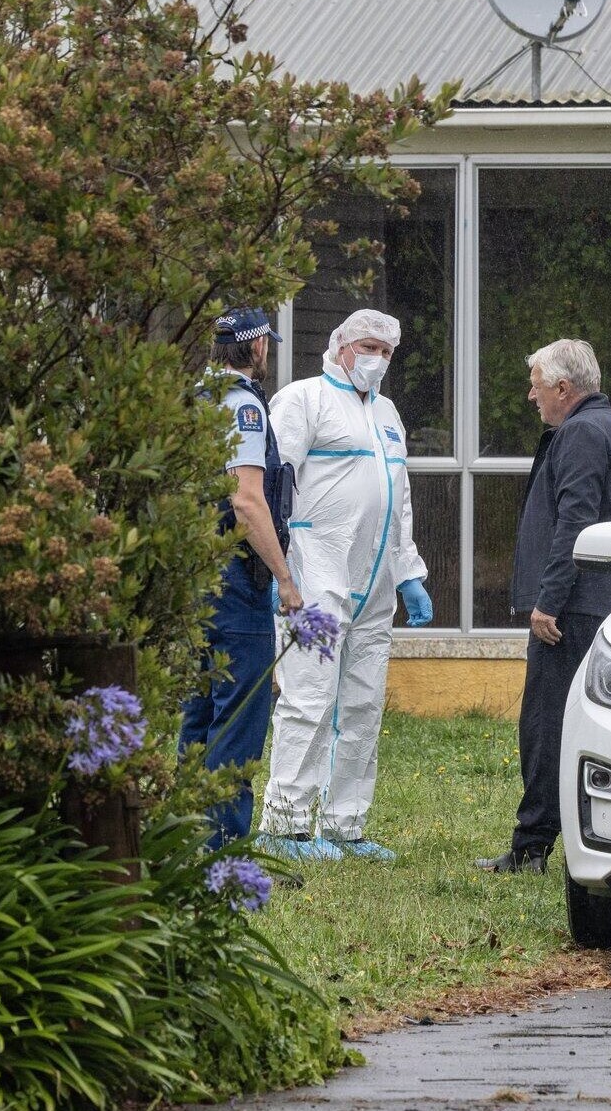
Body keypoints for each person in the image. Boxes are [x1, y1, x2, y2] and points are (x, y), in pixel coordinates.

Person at [258, 308, 433, 862]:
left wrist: (409, 573)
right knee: (309, 696)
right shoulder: (302, 400)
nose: (377, 359)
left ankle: (344, 825)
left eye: (386, 351)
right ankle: (284, 825)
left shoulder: (386, 413)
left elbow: (399, 500)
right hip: (316, 573)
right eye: (368, 347)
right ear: (340, 346)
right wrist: (279, 569)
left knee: (363, 702)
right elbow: (272, 486)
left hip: (375, 581)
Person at [476, 339, 611, 874]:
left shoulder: (580, 433)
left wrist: (547, 601)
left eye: (536, 386)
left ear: (562, 387)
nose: (531, 396)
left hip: (572, 611)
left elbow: (576, 521)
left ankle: (532, 847)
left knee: (545, 725)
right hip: (609, 606)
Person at [180, 305, 304, 847]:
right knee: (238, 716)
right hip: (235, 580)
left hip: (194, 577)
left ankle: (184, 841)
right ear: (257, 346)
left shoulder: (196, 398)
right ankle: (224, 852)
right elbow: (248, 501)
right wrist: (285, 579)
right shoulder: (243, 406)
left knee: (199, 713)